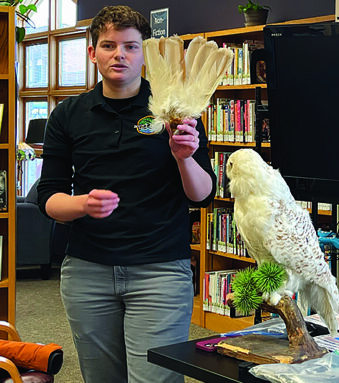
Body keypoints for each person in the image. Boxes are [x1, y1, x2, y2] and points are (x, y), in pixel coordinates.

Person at [37, 5, 216, 383]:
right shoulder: (68, 114)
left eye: (131, 46)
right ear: (92, 53)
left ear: (144, 54)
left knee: (155, 378)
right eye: (109, 45)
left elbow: (202, 195)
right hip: (87, 272)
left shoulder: (175, 109)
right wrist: (83, 204)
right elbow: (49, 197)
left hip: (161, 272)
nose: (120, 54)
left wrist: (184, 158)